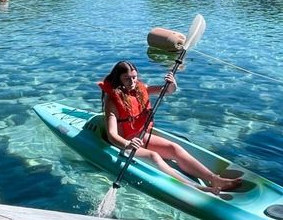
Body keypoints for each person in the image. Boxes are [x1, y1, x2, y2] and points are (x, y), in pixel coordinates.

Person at [98, 61, 239, 193]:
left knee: (174, 148)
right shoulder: (112, 101)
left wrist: (172, 83)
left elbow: (168, 91)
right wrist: (128, 144)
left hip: (141, 136)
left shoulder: (141, 89)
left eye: (134, 77)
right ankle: (195, 187)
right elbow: (112, 135)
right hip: (124, 144)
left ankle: (215, 179)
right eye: (127, 78)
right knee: (154, 156)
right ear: (119, 79)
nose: (133, 82)